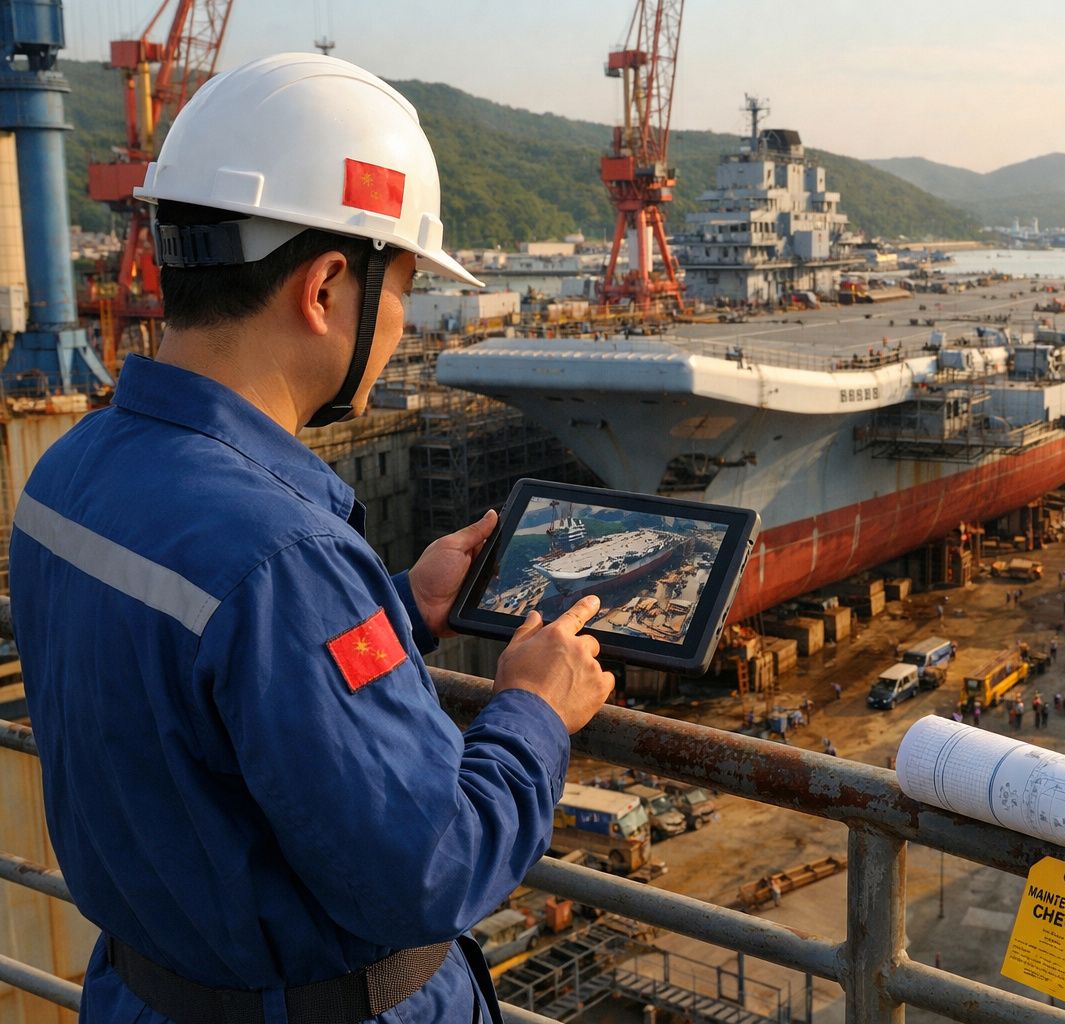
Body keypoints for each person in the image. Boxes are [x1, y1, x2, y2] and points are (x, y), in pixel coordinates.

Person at [9, 55, 613, 1024]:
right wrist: (534, 709)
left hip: (145, 990)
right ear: (330, 284)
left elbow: (203, 692)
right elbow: (429, 870)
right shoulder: (283, 556)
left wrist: (392, 607)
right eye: (406, 285)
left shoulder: (68, 474)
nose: (403, 322)